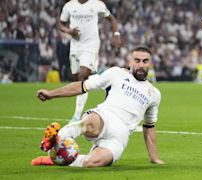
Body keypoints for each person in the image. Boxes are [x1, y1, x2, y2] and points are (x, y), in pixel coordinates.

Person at [31, 46, 164, 167]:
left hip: (120, 136)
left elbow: (149, 126)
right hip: (105, 116)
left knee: (91, 163)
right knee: (89, 122)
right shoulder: (116, 73)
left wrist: (154, 157)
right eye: (137, 60)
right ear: (130, 62)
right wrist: (51, 94)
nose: (140, 65)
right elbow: (83, 86)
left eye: (145, 61)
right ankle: (58, 137)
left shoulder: (154, 94)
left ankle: (55, 159)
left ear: (150, 64)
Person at [57, 0, 122, 122]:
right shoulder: (69, 6)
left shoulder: (97, 4)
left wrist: (116, 34)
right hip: (75, 46)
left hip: (90, 46)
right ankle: (98, 78)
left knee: (82, 77)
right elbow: (60, 24)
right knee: (76, 80)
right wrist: (69, 31)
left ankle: (76, 116)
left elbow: (112, 19)